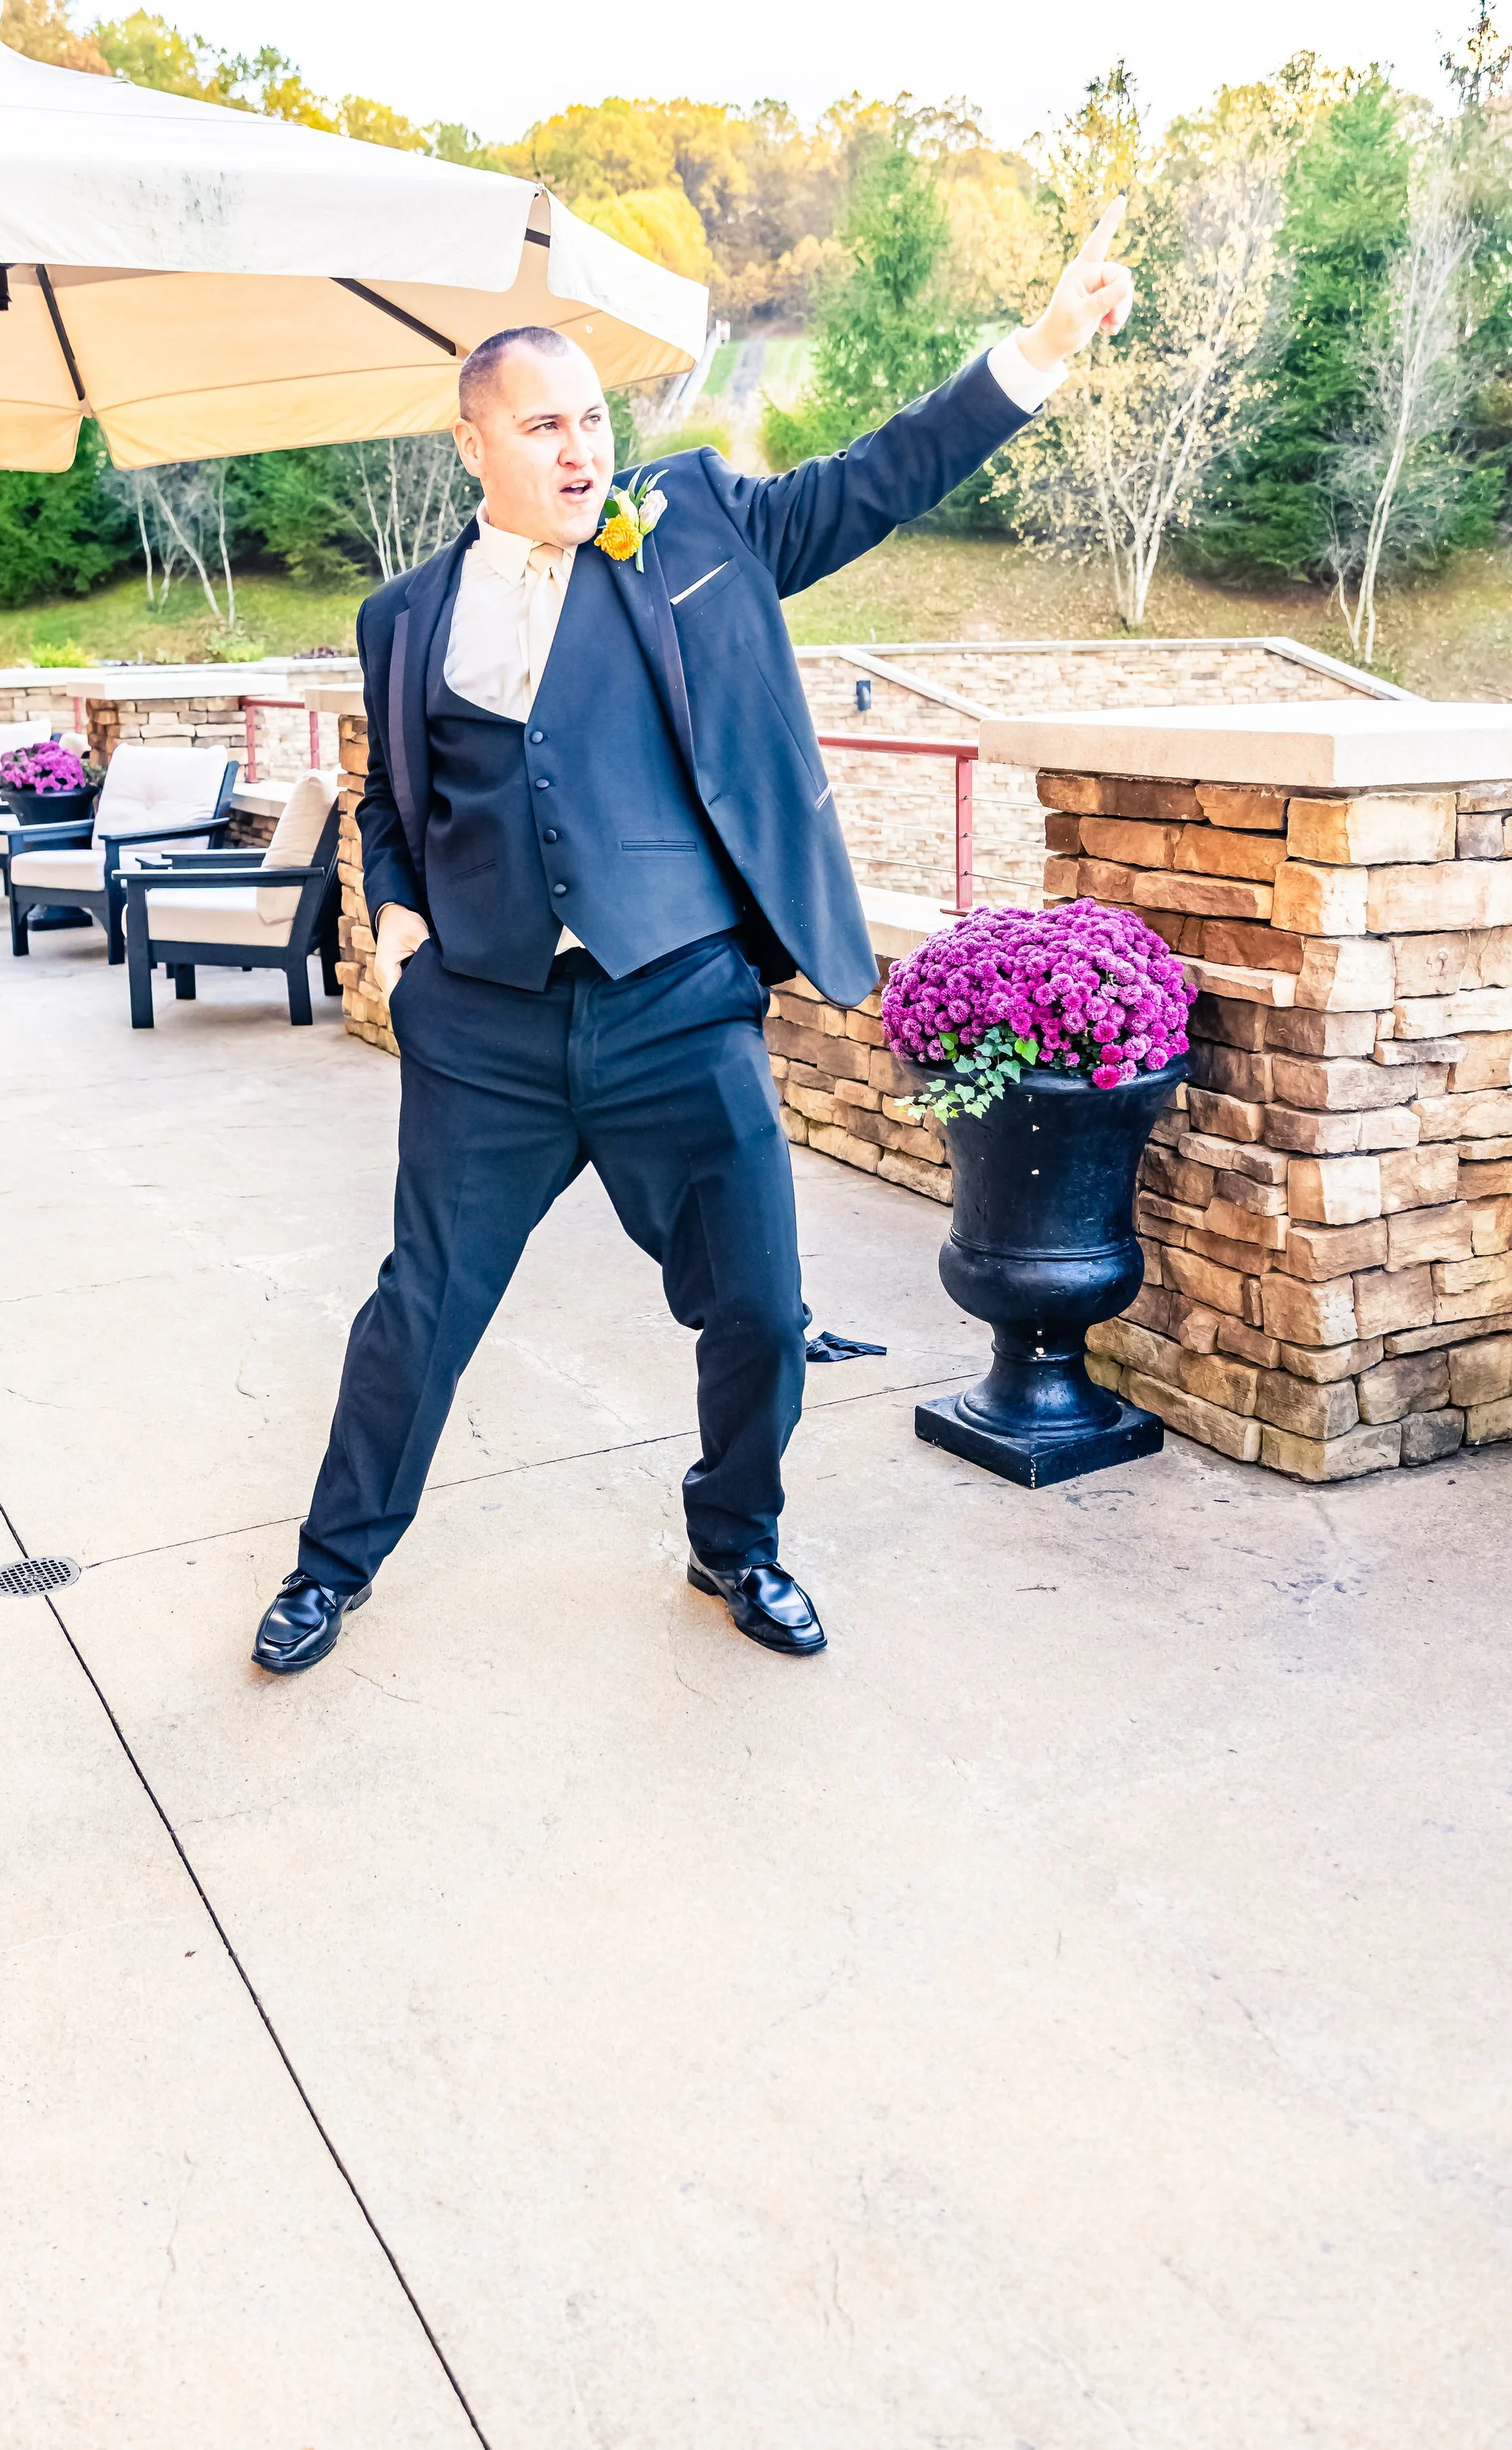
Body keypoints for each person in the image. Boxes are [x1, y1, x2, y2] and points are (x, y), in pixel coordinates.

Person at [253, 206, 1136, 1675]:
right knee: (419, 1309)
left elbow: (879, 478)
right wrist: (396, 921)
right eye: (540, 427)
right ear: (473, 446)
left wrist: (1037, 347)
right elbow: (392, 799)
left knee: (758, 1313)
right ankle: (329, 1566)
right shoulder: (401, 616)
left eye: (589, 418)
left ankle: (738, 1544)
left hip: (677, 1000)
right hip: (482, 1027)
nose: (576, 447)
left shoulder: (696, 521)